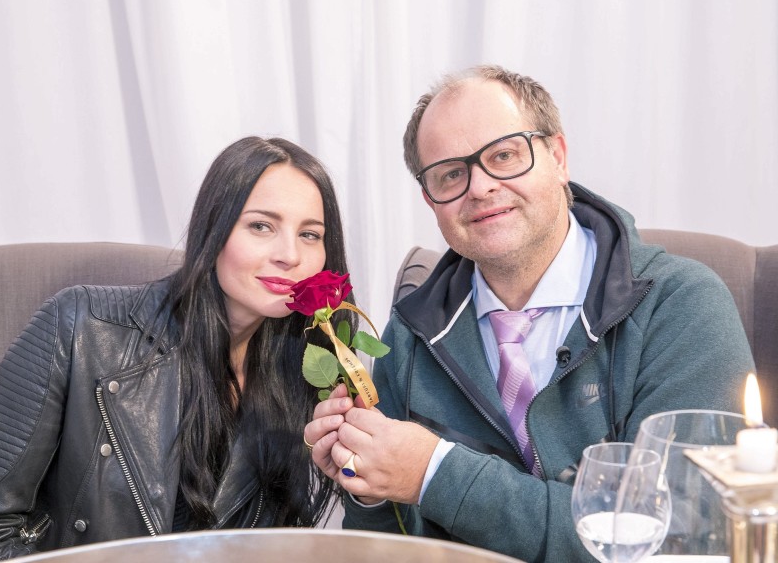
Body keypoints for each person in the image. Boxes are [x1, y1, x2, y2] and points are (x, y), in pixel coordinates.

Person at [304, 65, 755, 562]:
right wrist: (367, 478)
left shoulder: (681, 306)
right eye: (451, 173)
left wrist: (435, 471)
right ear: (430, 198)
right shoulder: (411, 334)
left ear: (558, 157)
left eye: (503, 155)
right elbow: (387, 549)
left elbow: (685, 536)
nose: (479, 187)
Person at [0, 136, 354, 560]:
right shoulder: (79, 326)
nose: (290, 255)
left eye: (310, 234)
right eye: (261, 226)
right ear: (214, 230)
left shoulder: (303, 369)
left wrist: (356, 478)